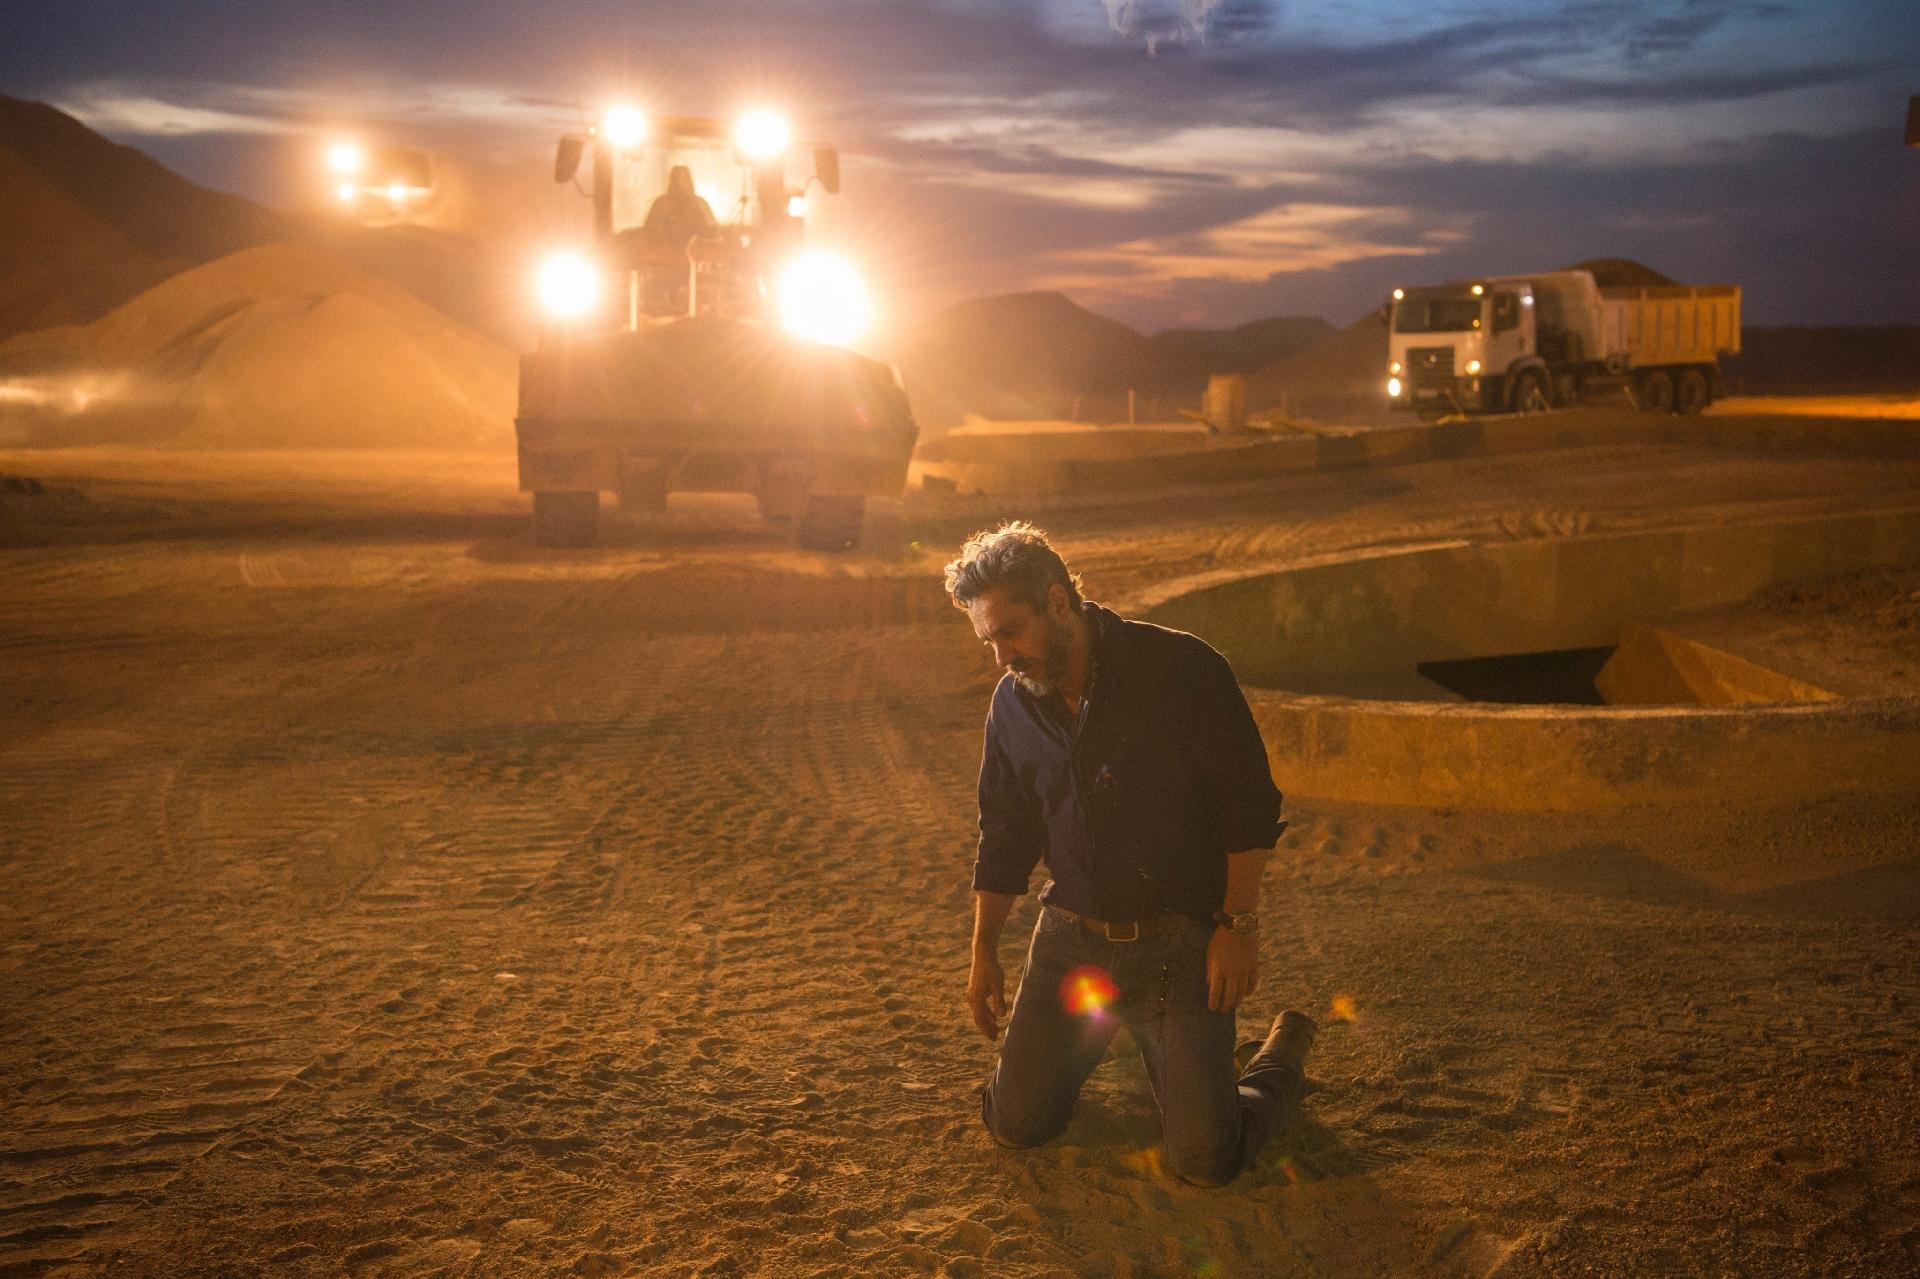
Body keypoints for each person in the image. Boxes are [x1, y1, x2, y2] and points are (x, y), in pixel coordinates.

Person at [945, 520, 1315, 1187]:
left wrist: (1237, 926)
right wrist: (983, 949)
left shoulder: (1182, 668)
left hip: (1179, 946)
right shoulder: (1012, 706)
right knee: (1015, 1122)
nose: (1001, 657)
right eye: (988, 641)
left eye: (1010, 633)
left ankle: (1279, 1057)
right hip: (1071, 944)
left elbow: (1248, 805)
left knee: (1207, 1161)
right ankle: (1135, 1048)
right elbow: (1004, 833)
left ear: (1058, 602)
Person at [643, 165, 716, 256]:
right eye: (676, 179)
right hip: (666, 258)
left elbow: (712, 231)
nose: (680, 184)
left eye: (683, 180)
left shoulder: (700, 204)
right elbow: (651, 233)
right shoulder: (661, 204)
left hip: (696, 257)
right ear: (671, 182)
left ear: (689, 181)